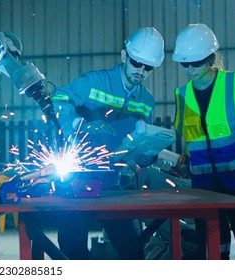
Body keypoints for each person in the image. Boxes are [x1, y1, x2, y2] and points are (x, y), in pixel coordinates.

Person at [24, 27, 165, 259]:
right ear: (124, 56)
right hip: (76, 179)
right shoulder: (93, 82)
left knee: (132, 250)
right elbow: (58, 98)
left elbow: (138, 143)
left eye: (148, 67)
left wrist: (146, 156)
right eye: (136, 63)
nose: (141, 70)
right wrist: (80, 124)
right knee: (73, 250)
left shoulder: (147, 101)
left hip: (112, 182)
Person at [172, 23, 235, 260]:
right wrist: (186, 158)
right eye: (185, 63)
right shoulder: (182, 95)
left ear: (210, 59)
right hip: (205, 187)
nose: (190, 69)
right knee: (213, 251)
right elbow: (194, 138)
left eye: (196, 62)